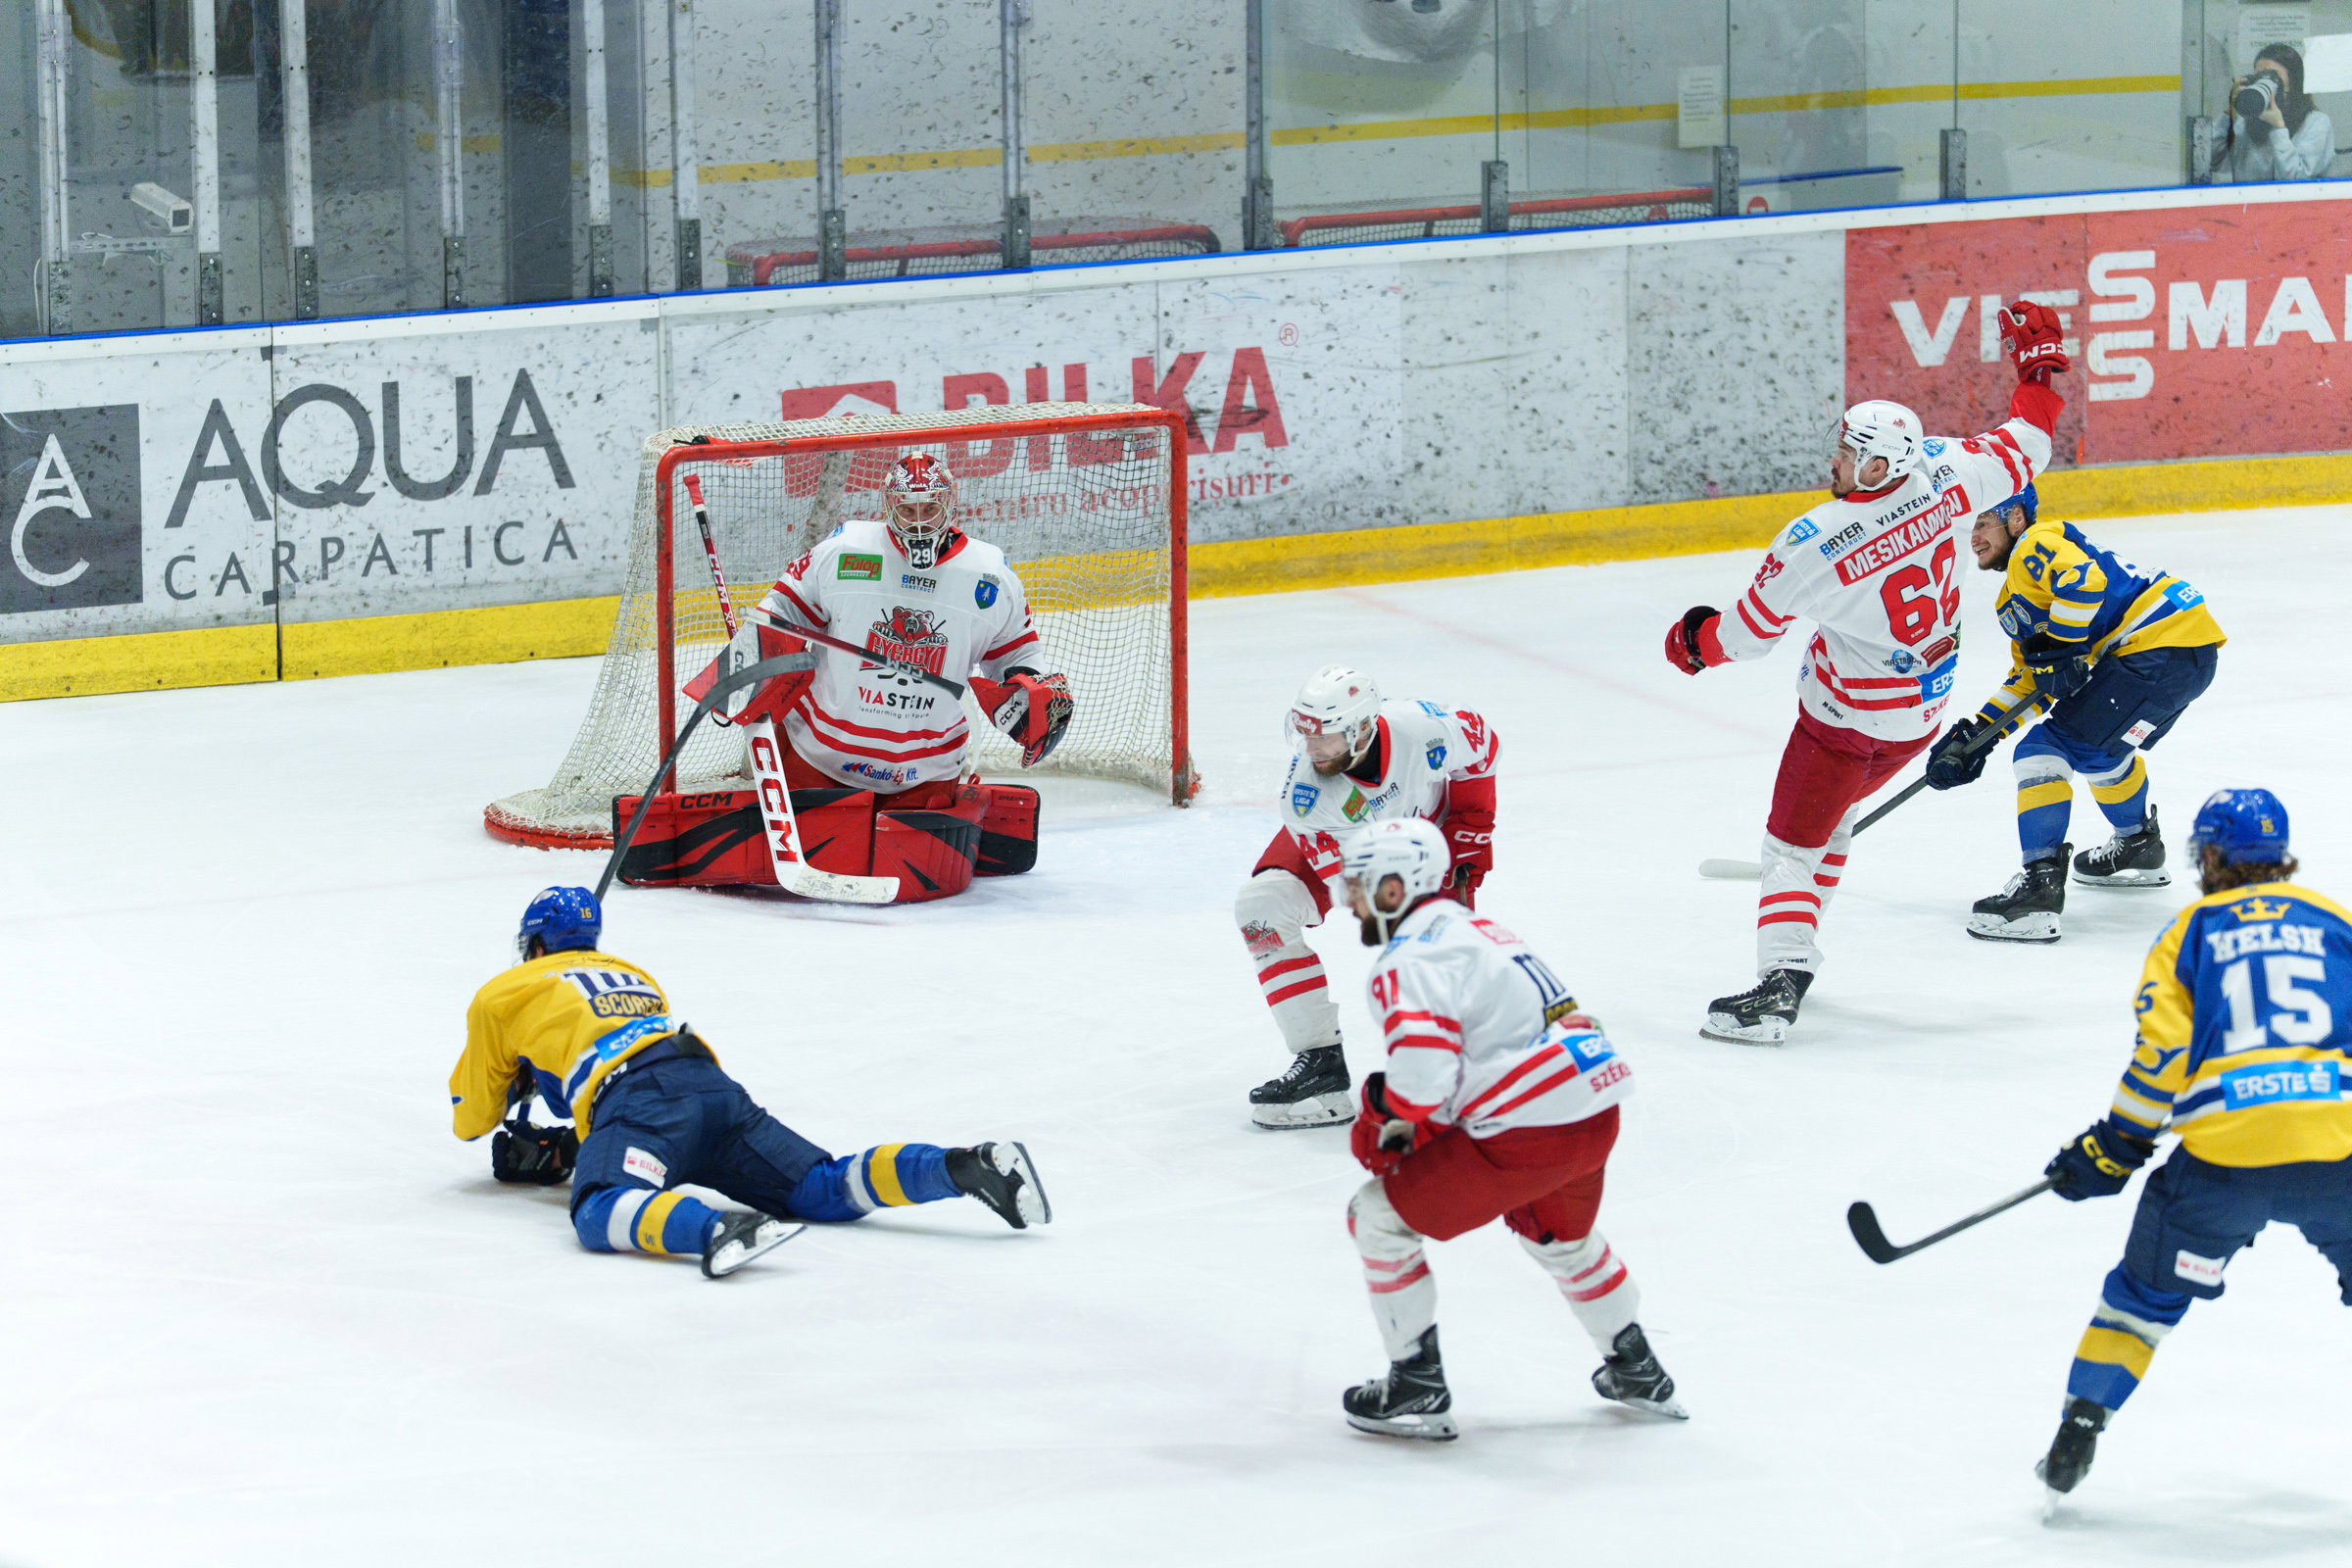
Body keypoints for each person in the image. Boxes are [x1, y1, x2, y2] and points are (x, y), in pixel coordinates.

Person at [1665, 299, 2069, 1044]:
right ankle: (1802, 951)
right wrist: (2037, 366)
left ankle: (1780, 980)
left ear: (1879, 464)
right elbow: (2033, 441)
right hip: (1920, 719)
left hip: (1842, 724)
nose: (1836, 465)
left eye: (1849, 455)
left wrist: (1693, 643)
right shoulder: (1950, 474)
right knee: (1834, 825)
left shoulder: (1817, 539)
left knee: (1791, 847)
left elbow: (1747, 638)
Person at [450, 886, 1049, 1276]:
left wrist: (515, 1082)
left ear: (532, 944)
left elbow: (472, 1118)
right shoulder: (633, 974)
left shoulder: (502, 993)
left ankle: (716, 1227)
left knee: (597, 1206)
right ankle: (966, 1166)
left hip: (640, 1101)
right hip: (711, 1089)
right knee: (822, 1186)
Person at [2033, 790, 2352, 1503]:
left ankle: (2081, 1424)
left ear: (2209, 856)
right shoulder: (2336, 920)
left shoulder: (2190, 931)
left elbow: (2165, 1056)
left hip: (2224, 1164)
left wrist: (2116, 1144)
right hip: (2341, 1154)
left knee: (2142, 1300)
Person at [1334, 819, 1682, 1441]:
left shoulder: (1409, 959)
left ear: (1393, 889)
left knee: (1378, 1218)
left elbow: (1422, 1079)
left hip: (1528, 1129)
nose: (1347, 901)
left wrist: (1380, 1111)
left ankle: (1417, 1381)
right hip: (1594, 1114)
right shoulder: (1480, 929)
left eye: (1357, 886)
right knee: (1559, 1237)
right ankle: (1637, 1366)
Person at [662, 452, 1074, 902]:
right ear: (888, 507)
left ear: (950, 505)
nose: (919, 521)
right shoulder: (846, 550)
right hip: (819, 755)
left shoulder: (990, 574)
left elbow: (1016, 649)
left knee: (918, 896)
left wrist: (1022, 687)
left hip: (926, 767)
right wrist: (750, 662)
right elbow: (781, 609)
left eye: (929, 508)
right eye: (908, 509)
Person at [1923, 484, 2224, 942]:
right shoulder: (2018, 595)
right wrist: (1977, 736)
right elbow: (2034, 680)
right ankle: (2138, 845)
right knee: (2100, 753)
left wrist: (2062, 646)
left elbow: (2083, 581)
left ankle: (2038, 889)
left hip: (2154, 650)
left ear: (2017, 519)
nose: (1975, 537)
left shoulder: (2034, 546)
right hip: (2188, 655)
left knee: (2044, 750)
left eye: (1984, 522)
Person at [1235, 666, 1498, 1127]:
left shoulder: (1423, 728)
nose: (1311, 749)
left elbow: (1483, 747)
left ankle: (1476, 1069)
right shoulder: (1306, 795)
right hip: (1352, 848)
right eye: (1306, 735)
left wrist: (1471, 827)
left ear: (1361, 729)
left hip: (1430, 840)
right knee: (1263, 909)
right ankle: (1322, 1066)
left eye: (1325, 738)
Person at [2212, 43, 2336, 183]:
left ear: (2294, 81)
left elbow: (2296, 178)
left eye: (2273, 75)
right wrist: (2229, 113)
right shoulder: (2244, 121)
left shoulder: (2316, 122)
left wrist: (2278, 128)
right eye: (2259, 75)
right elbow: (2214, 162)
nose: (2264, 82)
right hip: (2249, 202)